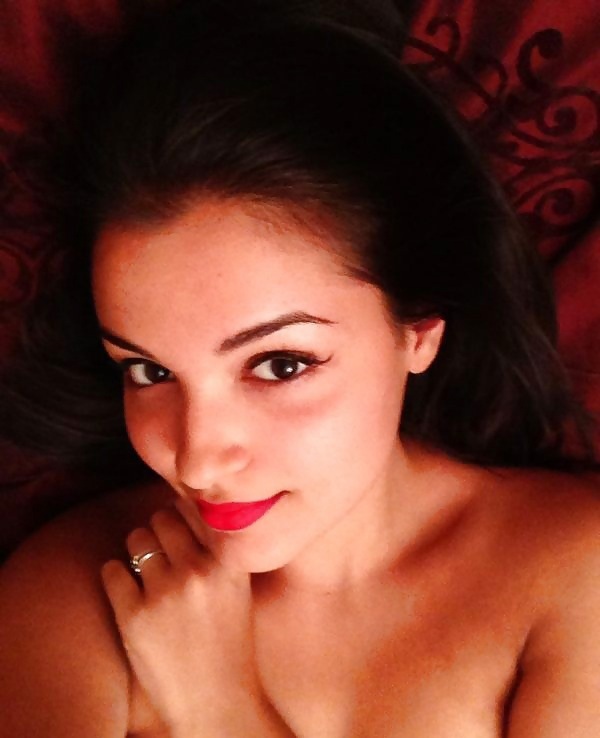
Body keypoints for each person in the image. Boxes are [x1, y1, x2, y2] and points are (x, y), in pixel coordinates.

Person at [0, 1, 599, 736]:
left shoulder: (572, 571)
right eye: (149, 372)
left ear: (418, 332)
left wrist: (219, 705)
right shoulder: (75, 591)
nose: (198, 457)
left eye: (280, 364)